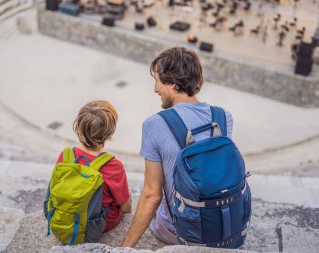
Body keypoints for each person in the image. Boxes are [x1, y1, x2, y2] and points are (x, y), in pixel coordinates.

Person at [121, 47, 233, 247]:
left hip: (180, 231)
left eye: (157, 81)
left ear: (172, 83)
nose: (155, 89)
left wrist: (124, 248)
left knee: (144, 187)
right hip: (222, 224)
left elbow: (152, 196)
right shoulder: (224, 118)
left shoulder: (155, 124)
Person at [55, 100, 132, 232]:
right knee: (127, 196)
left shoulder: (66, 155)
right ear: (109, 132)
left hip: (67, 215)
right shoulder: (113, 165)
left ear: (78, 127)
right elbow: (125, 208)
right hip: (98, 223)